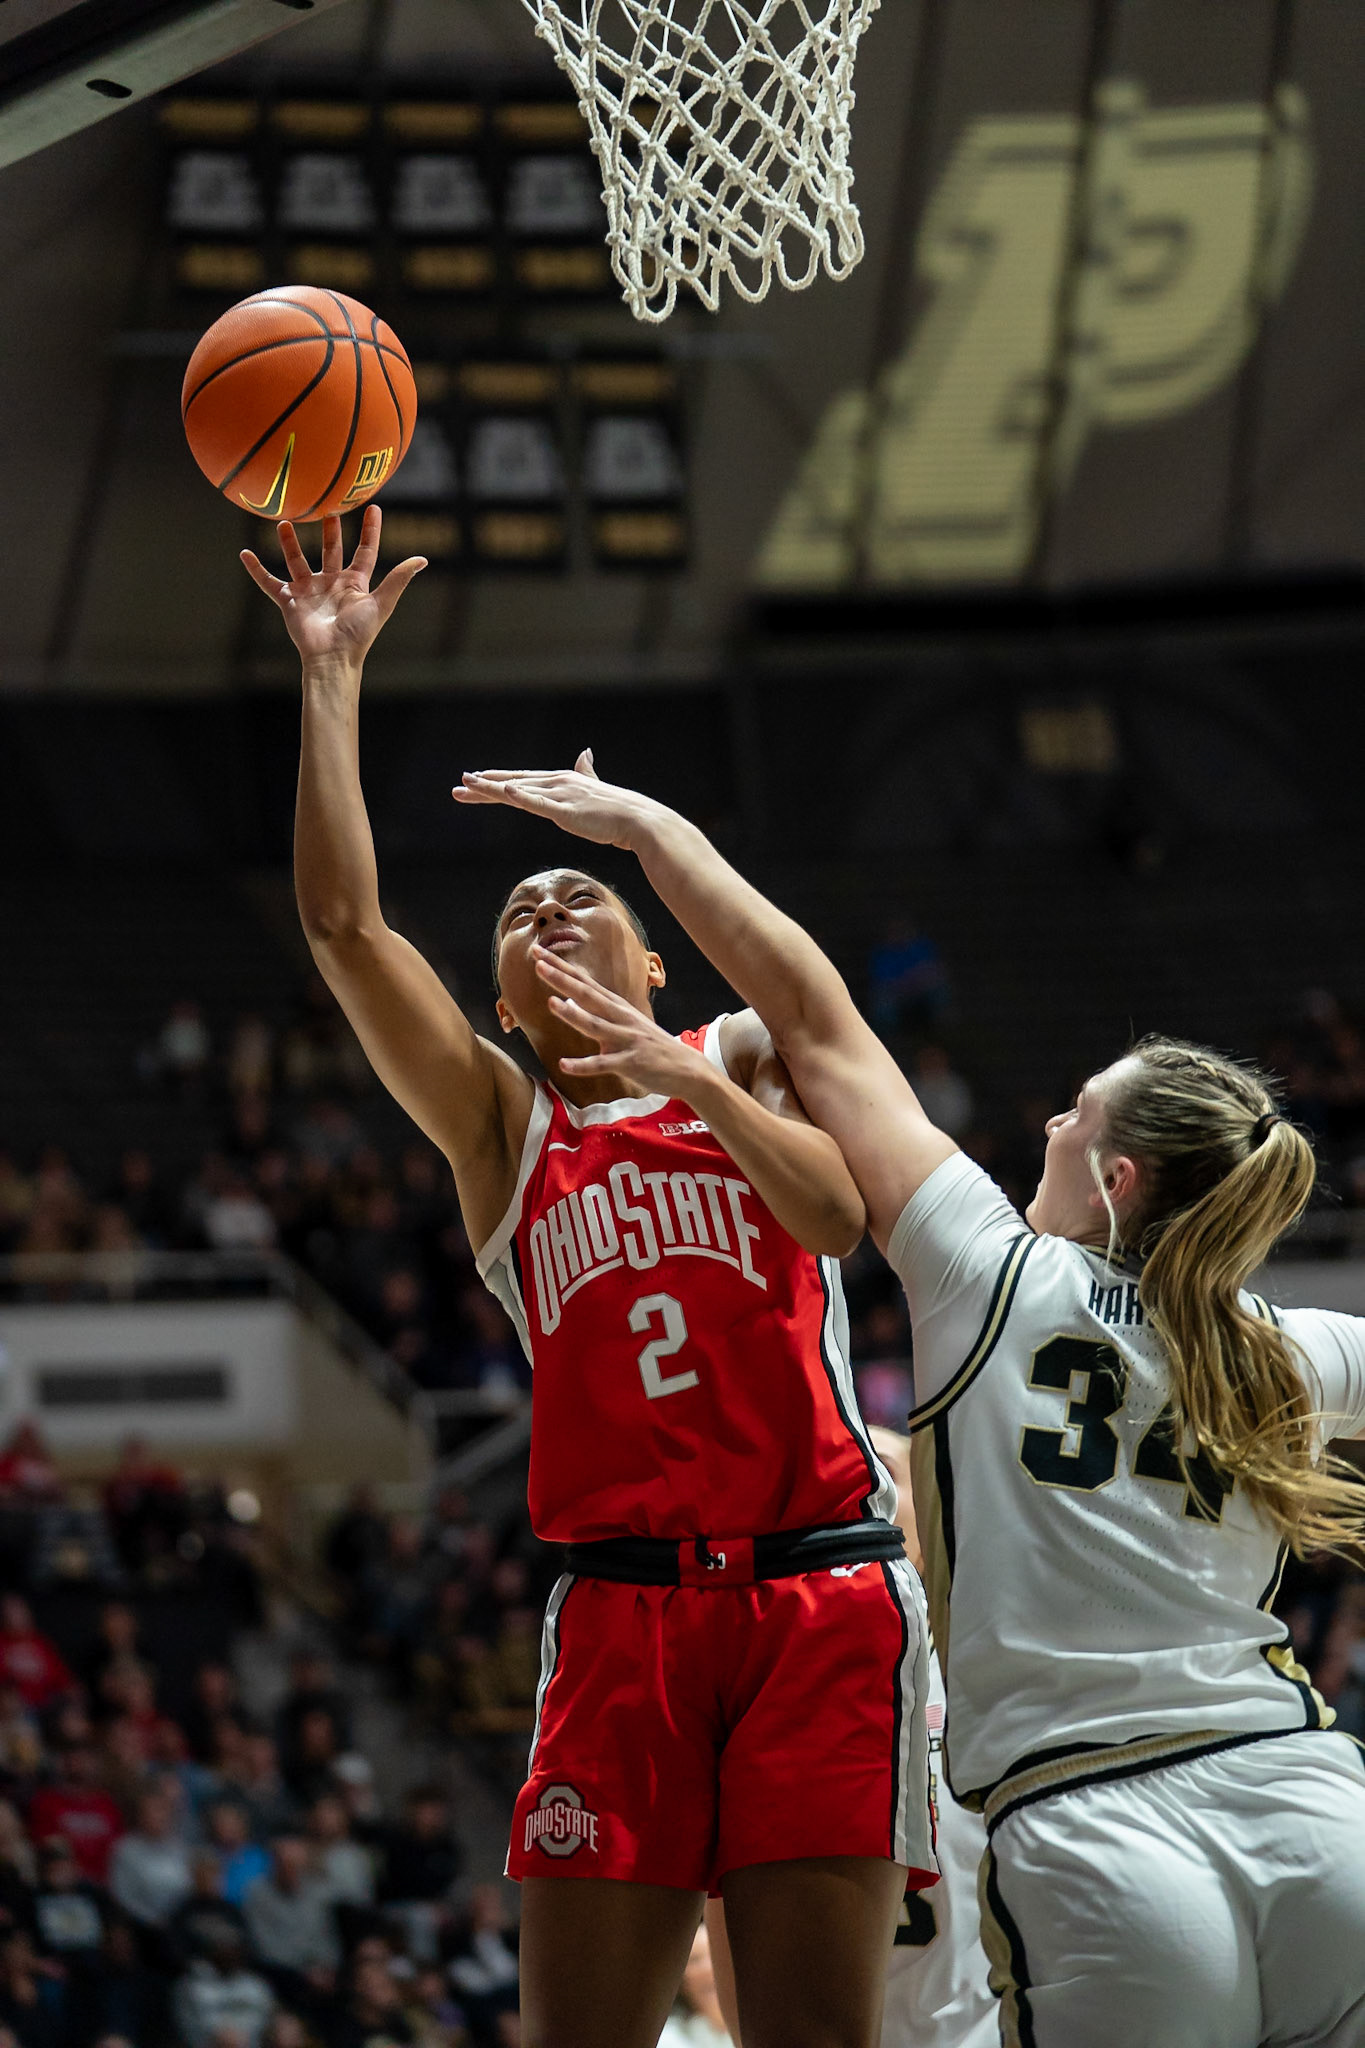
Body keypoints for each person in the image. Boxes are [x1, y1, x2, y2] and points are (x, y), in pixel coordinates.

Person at [459, 756, 1365, 2048]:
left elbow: (809, 1011)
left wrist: (649, 828)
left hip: (1100, 1822)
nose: (1044, 1122)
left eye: (1069, 1116)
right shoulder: (1275, 1348)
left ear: (1112, 1176)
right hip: (1308, 1801)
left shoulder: (986, 1271)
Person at [241, 508, 934, 2048]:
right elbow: (346, 928)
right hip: (621, 1620)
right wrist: (331, 678)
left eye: (578, 897)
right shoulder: (504, 1122)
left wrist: (684, 1088)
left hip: (817, 1590)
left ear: (654, 961)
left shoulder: (736, 1053)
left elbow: (835, 1220)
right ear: (498, 998)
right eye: (515, 915)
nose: (546, 905)